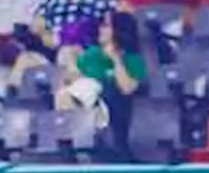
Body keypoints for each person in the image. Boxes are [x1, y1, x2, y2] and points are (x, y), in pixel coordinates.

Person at [10, 0, 121, 79]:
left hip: (84, 47)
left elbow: (119, 17)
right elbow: (37, 23)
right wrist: (44, 33)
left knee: (67, 53)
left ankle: (64, 94)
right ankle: (9, 95)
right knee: (25, 59)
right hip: (52, 46)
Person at [57, 12, 148, 156]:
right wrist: (72, 64)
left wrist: (116, 60)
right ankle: (75, 145)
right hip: (85, 110)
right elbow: (70, 80)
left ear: (118, 30)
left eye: (106, 26)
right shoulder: (92, 54)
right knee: (72, 92)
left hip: (116, 114)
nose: (100, 29)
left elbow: (127, 88)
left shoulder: (133, 59)